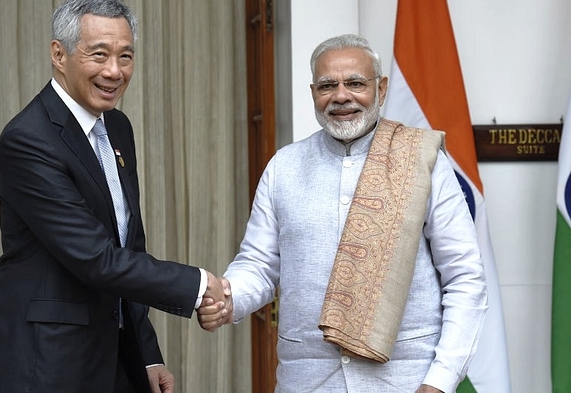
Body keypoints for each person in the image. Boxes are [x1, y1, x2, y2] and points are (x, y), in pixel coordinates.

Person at [198, 34, 488, 393]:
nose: (340, 96)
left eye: (355, 83)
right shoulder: (284, 166)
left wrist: (440, 380)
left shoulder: (422, 162)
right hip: (308, 380)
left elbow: (464, 277)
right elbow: (258, 264)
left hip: (406, 380)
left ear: (381, 89)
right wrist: (228, 298)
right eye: (327, 85)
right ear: (313, 93)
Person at [0, 0, 227, 393]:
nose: (114, 71)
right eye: (99, 55)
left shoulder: (117, 127)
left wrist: (146, 352)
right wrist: (199, 285)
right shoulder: (28, 139)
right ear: (59, 55)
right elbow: (95, 257)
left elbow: (128, 245)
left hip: (115, 357)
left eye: (125, 56)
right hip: (46, 363)